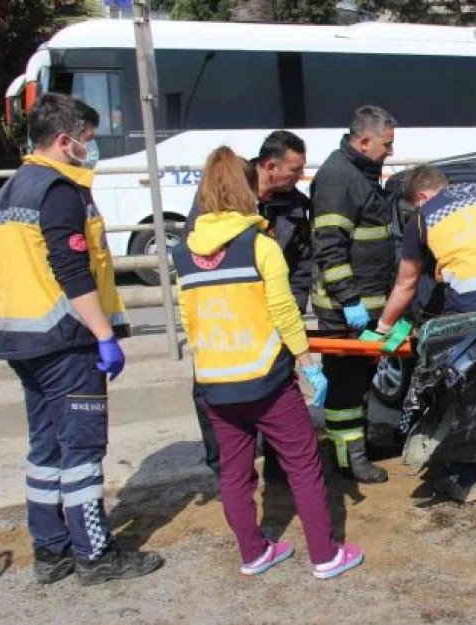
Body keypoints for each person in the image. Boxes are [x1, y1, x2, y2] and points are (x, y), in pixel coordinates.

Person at [0, 93, 163, 585]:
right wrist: (105, 334)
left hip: (25, 340)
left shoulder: (14, 187)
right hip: (66, 341)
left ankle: (51, 551)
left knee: (45, 451)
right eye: (88, 140)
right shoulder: (59, 189)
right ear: (65, 142)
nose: (92, 148)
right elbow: (71, 269)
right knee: (82, 452)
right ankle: (96, 554)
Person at [173, 146, 363, 580]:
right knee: (302, 464)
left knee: (236, 472)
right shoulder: (260, 246)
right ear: (244, 188)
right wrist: (306, 361)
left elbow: (190, 318)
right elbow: (284, 312)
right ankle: (325, 555)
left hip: (215, 381)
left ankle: (254, 553)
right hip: (266, 379)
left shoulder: (183, 253)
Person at [375, 165, 476, 503]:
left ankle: (461, 477)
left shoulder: (425, 217)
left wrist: (383, 329)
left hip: (473, 318)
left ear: (421, 197)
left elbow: (406, 285)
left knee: (454, 395)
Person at [185, 130, 311, 482]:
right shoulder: (218, 197)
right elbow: (195, 256)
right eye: (295, 169)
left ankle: (278, 468)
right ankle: (224, 470)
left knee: (276, 390)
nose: (300, 176)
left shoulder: (296, 206)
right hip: (225, 318)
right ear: (270, 166)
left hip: (273, 317)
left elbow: (301, 263)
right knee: (213, 394)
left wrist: (292, 306)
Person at [310, 105, 398, 483]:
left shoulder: (360, 172)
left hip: (365, 304)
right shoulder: (338, 178)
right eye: (386, 144)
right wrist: (349, 300)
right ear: (364, 141)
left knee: (360, 382)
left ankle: (354, 444)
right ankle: (349, 458)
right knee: (345, 386)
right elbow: (329, 246)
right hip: (344, 309)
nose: (390, 151)